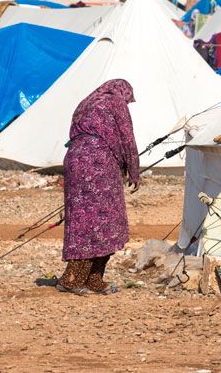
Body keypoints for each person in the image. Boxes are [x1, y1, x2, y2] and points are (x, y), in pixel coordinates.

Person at [56, 79, 140, 295]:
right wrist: (134, 170)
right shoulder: (115, 103)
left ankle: (92, 280)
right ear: (124, 93)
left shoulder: (87, 102)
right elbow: (127, 137)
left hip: (74, 160)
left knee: (82, 222)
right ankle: (73, 279)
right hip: (98, 163)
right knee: (103, 222)